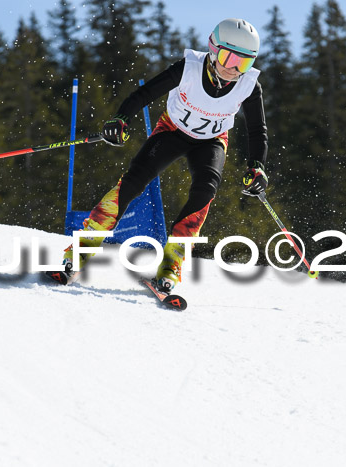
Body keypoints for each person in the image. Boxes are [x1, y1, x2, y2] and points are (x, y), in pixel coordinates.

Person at [48, 18, 269, 292]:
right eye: (228, 57)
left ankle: (170, 268)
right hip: (172, 132)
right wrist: (120, 118)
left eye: (243, 63)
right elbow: (144, 93)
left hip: (212, 142)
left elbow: (257, 131)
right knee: (132, 183)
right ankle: (78, 253)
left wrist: (257, 167)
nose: (233, 68)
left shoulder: (249, 86)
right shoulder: (188, 69)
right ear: (213, 49)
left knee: (204, 193)